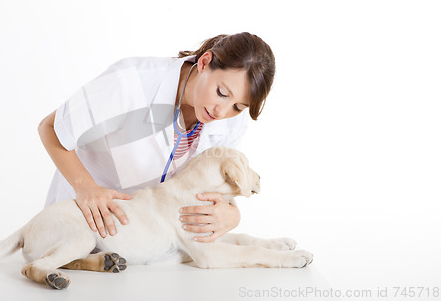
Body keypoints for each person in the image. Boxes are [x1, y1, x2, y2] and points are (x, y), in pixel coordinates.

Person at [38, 32, 275, 243]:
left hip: (149, 244)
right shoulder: (131, 81)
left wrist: (232, 213)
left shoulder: (231, 118)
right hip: (81, 223)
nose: (222, 112)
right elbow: (51, 128)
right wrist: (86, 187)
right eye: (221, 93)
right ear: (204, 62)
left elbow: (219, 181)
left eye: (238, 106)